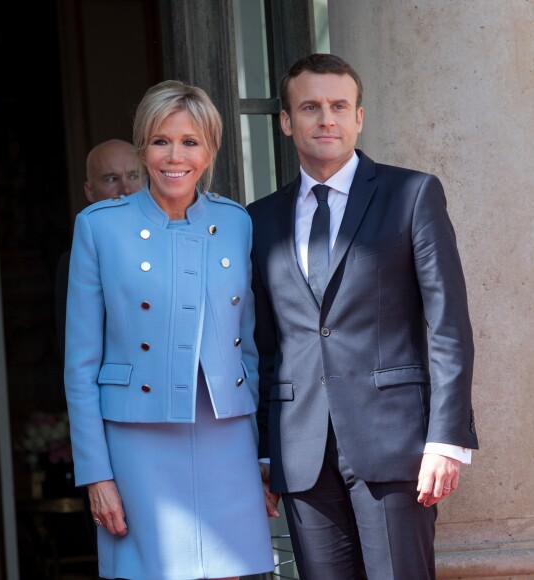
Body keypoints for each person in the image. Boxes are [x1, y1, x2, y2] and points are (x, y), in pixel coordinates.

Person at [247, 53, 479, 580]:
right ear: (286, 122)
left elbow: (449, 326)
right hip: (300, 450)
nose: (325, 119)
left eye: (338, 106)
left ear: (359, 116)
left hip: (396, 447)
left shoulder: (412, 194)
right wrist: (263, 452)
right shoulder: (260, 219)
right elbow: (264, 344)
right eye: (309, 107)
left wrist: (447, 438)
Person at [64, 80, 274, 580]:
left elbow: (250, 350)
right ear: (143, 149)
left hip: (227, 438)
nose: (174, 156)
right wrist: (97, 474)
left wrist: (264, 454)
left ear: (210, 150)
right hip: (137, 443)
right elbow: (80, 365)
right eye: (161, 141)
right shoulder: (98, 227)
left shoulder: (237, 223)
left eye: (190, 141)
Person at [55, 139, 143, 361]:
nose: (126, 189)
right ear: (90, 191)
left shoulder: (175, 242)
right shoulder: (77, 262)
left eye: (133, 176)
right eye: (111, 179)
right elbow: (76, 356)